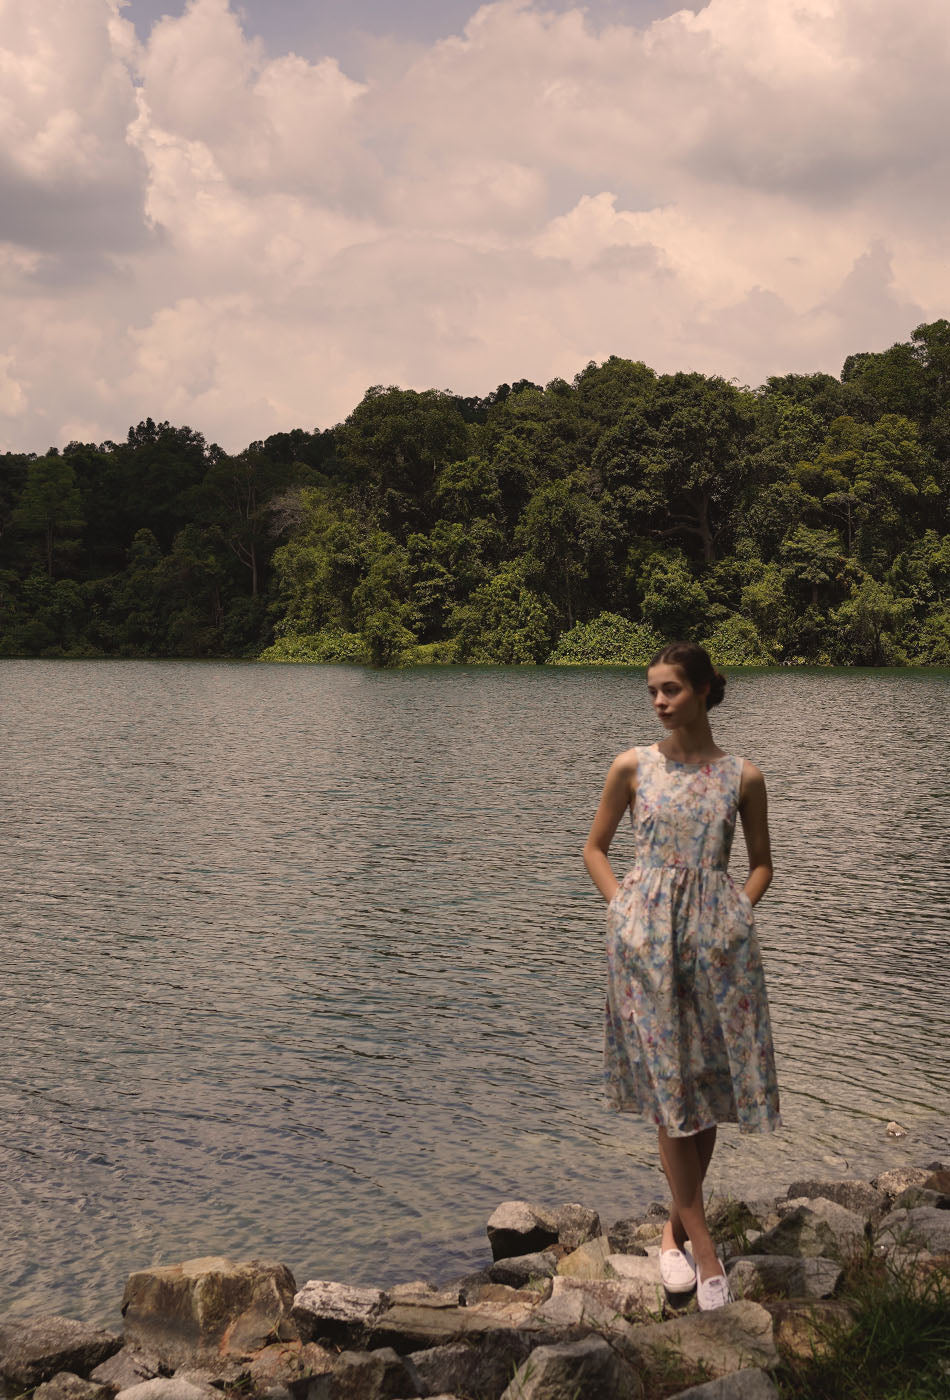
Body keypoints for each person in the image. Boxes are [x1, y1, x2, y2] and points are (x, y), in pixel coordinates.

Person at [583, 641, 780, 1311]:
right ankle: (704, 1250)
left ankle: (670, 1231)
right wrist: (623, 913)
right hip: (647, 945)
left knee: (708, 1085)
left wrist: (736, 917)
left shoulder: (744, 776)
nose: (659, 702)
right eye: (652, 692)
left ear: (700, 691)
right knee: (671, 1088)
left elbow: (761, 865)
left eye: (670, 689)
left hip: (719, 948)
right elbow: (594, 848)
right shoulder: (633, 766)